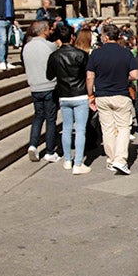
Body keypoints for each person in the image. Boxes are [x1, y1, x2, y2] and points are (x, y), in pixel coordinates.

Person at [86, 23, 138, 174]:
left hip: (102, 95)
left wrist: (90, 95)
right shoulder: (126, 53)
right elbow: (135, 75)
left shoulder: (96, 54)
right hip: (121, 94)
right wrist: (124, 77)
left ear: (106, 37)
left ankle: (110, 160)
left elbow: (90, 77)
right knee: (123, 128)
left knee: (107, 129)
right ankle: (120, 160)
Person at [47, 24, 90, 174]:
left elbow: (49, 76)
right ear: (72, 37)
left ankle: (67, 160)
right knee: (80, 130)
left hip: (64, 95)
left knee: (66, 128)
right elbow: (88, 74)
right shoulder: (81, 55)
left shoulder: (54, 56)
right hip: (80, 94)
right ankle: (78, 163)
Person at [22, 20, 60, 163]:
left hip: (34, 85)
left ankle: (33, 145)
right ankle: (49, 151)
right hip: (49, 86)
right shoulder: (50, 46)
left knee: (38, 116)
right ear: (44, 30)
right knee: (50, 119)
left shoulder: (27, 47)